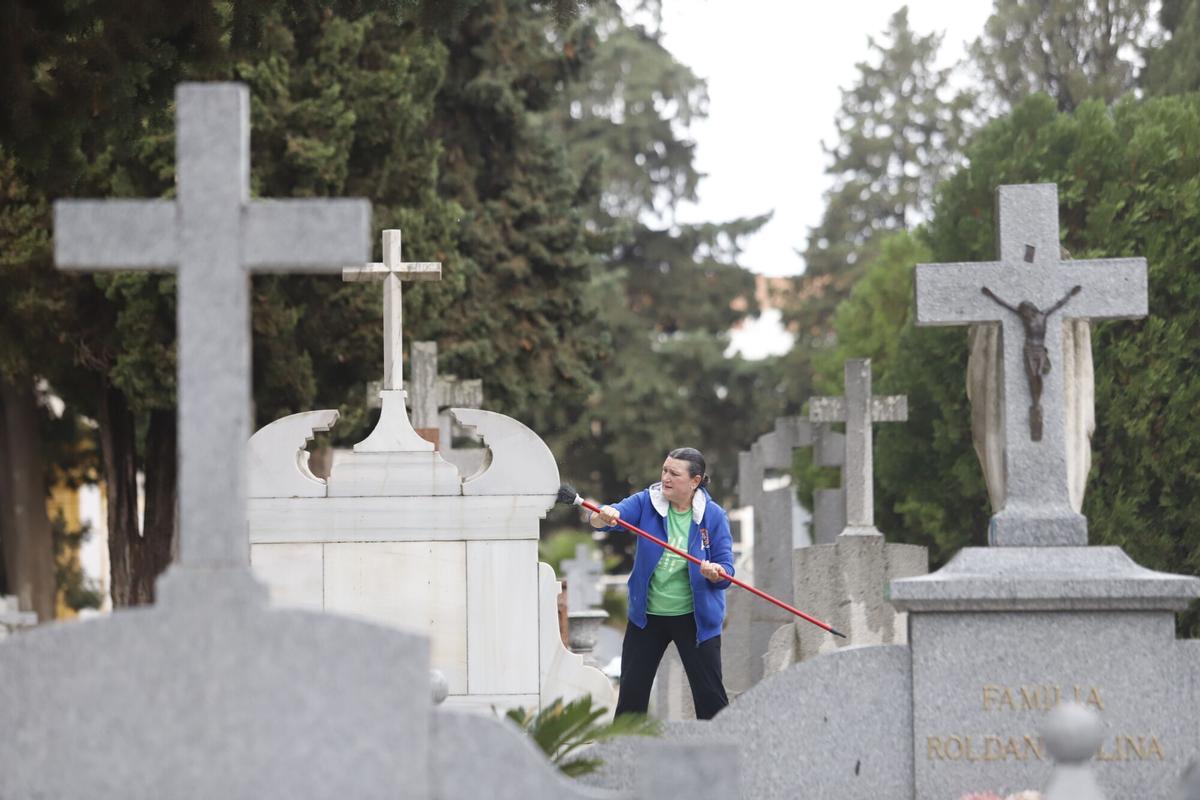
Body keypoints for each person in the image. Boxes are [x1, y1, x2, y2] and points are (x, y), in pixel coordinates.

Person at [590, 447, 734, 720]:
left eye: (674, 473)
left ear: (695, 481)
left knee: (710, 697)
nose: (665, 477)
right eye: (664, 470)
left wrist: (716, 572)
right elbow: (607, 518)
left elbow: (727, 568)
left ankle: (720, 755)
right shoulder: (647, 502)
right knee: (631, 698)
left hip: (696, 619)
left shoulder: (713, 516)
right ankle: (625, 757)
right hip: (647, 618)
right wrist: (602, 515)